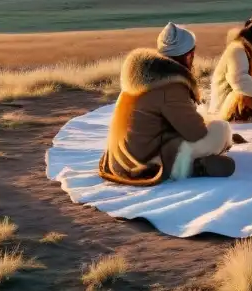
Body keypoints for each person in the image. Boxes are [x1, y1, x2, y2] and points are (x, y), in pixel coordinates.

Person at [99, 22, 235, 185]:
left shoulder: (143, 77)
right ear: (188, 56)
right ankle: (185, 167)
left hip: (124, 158)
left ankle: (189, 163)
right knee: (220, 129)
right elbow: (196, 133)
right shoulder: (170, 86)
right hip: (145, 162)